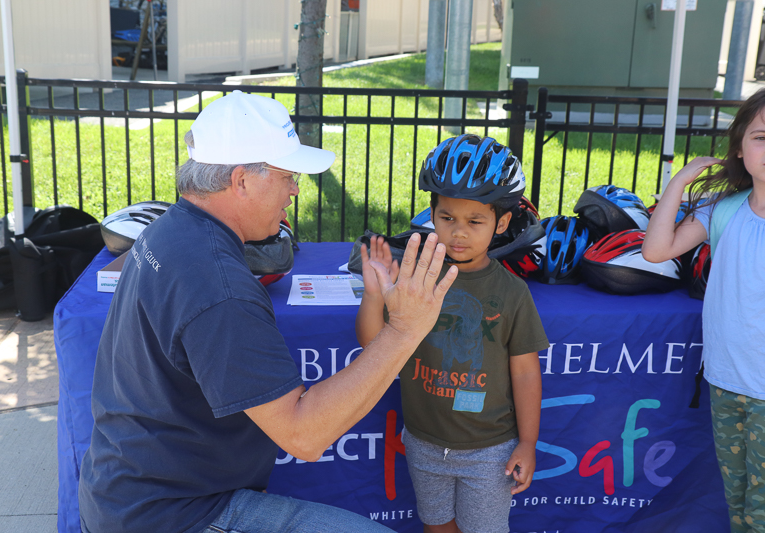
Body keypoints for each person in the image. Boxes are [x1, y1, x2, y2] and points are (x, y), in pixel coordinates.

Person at [77, 90, 459, 533]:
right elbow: (305, 435)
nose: (295, 190)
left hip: (126, 495)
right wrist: (405, 330)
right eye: (287, 175)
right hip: (173, 515)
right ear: (241, 181)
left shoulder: (171, 228)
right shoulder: (220, 287)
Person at [355, 134, 549, 533]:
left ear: (503, 221)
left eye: (475, 221)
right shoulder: (415, 280)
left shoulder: (512, 293)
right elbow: (373, 345)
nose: (459, 233)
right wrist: (375, 295)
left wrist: (527, 443)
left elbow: (527, 373)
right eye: (447, 219)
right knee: (437, 527)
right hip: (424, 443)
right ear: (432, 213)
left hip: (490, 451)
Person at [642, 90, 765, 533]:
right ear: (739, 148)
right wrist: (679, 182)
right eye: (761, 137)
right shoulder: (723, 211)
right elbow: (657, 250)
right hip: (727, 382)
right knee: (738, 506)